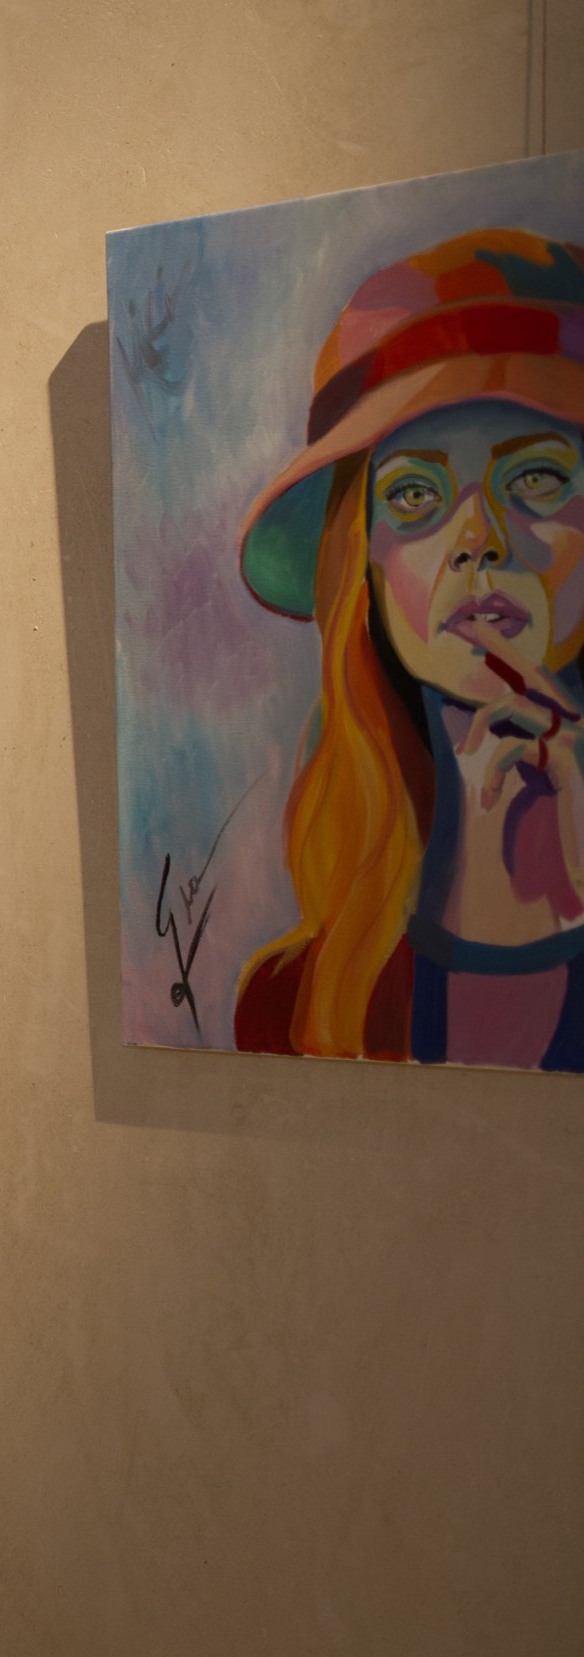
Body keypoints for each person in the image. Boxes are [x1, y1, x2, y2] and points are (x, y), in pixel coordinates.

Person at [235, 229, 584, 1068]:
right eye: (417, 495)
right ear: (364, 564)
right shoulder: (288, 1006)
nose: (477, 539)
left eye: (534, 478)